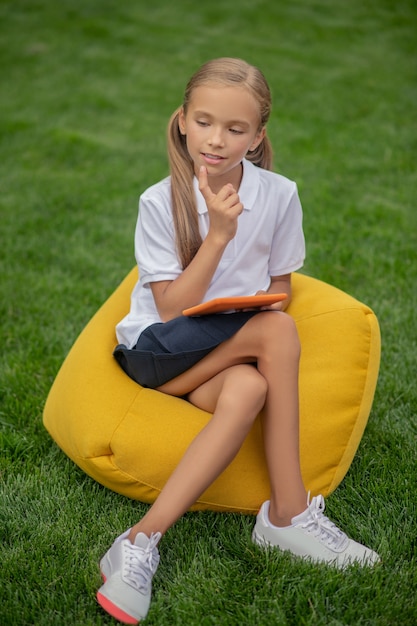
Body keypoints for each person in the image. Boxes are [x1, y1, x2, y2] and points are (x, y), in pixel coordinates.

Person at [97, 57, 380, 624]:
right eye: (204, 122)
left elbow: (279, 286)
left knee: (249, 387)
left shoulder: (279, 195)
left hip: (220, 353)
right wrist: (220, 236)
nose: (217, 139)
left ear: (257, 138)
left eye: (235, 129)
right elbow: (172, 308)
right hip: (157, 351)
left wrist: (245, 307)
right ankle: (288, 514)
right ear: (181, 121)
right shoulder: (161, 201)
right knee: (276, 329)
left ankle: (138, 541)